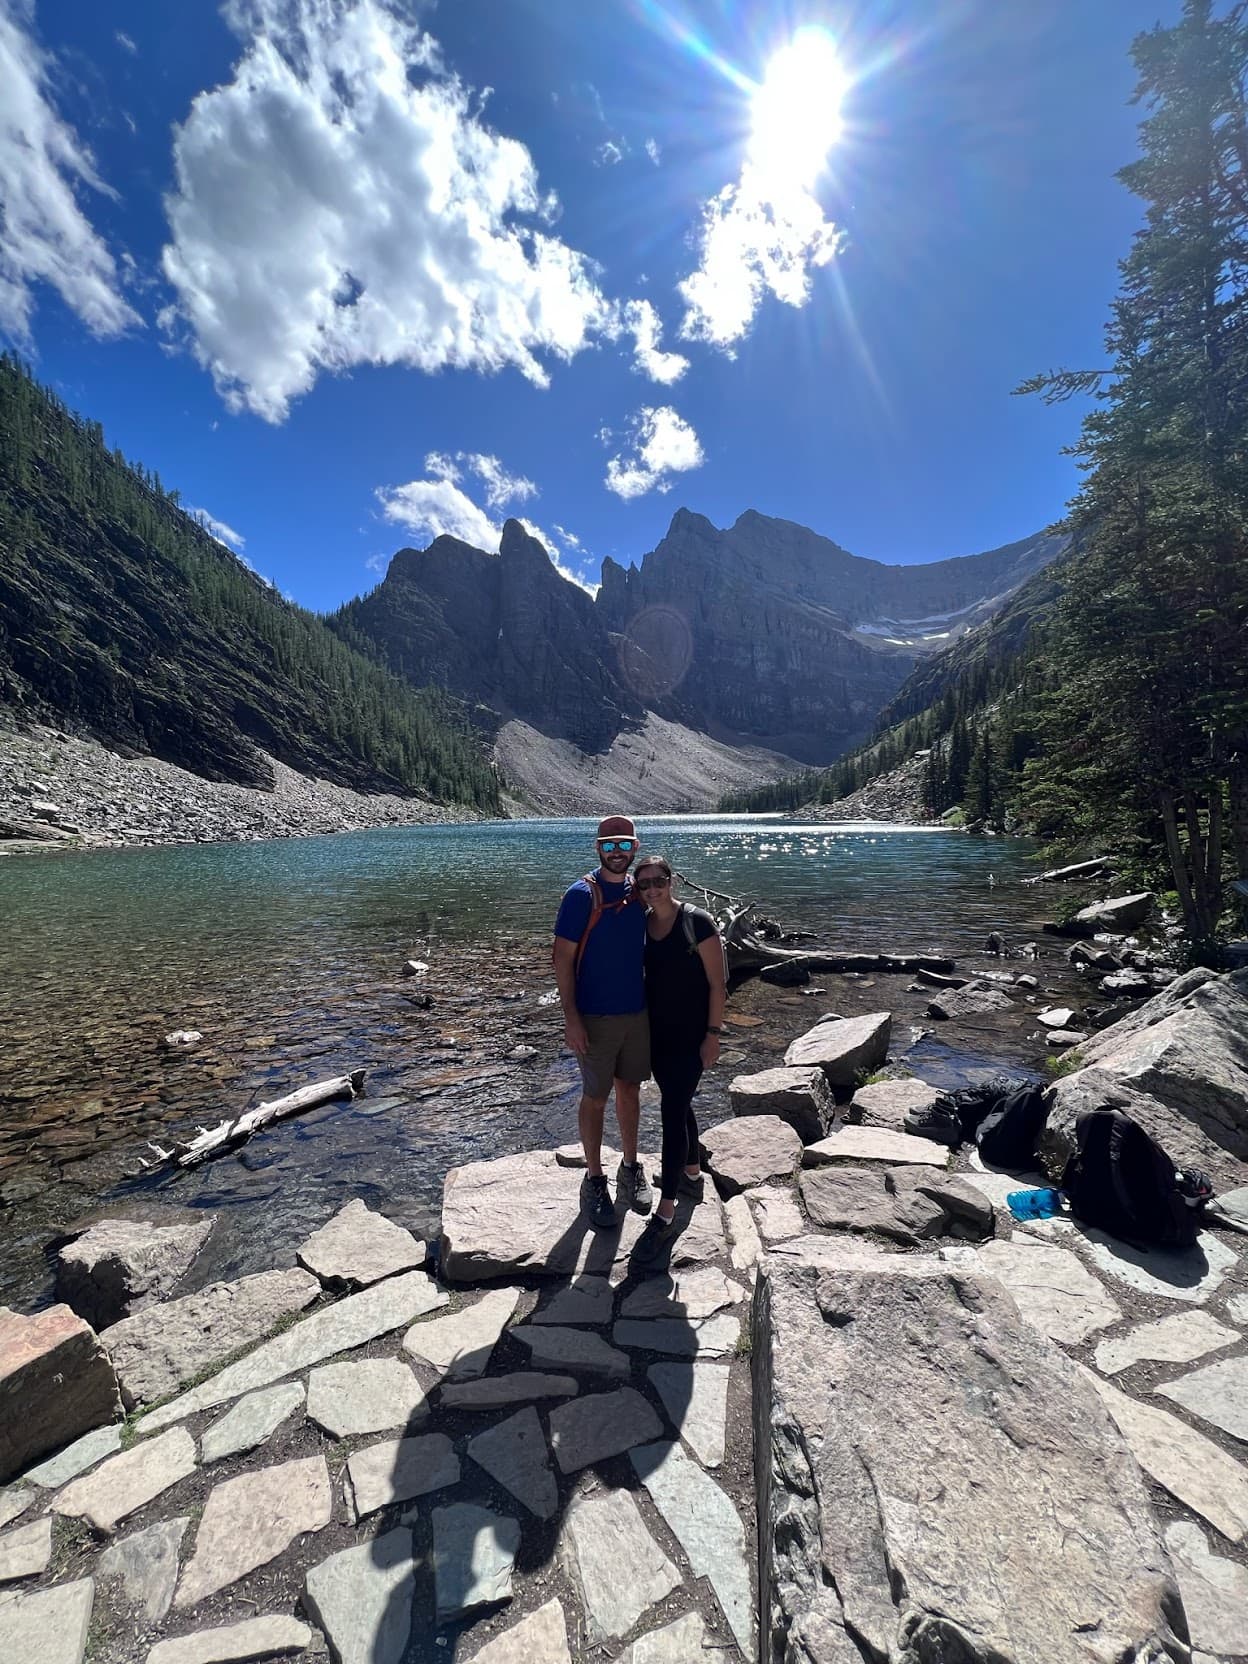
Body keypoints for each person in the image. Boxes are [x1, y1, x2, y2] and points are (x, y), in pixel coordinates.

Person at [553, 815, 654, 1229]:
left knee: (630, 1089)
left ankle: (630, 1166)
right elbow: (561, 958)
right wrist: (571, 1019)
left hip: (638, 1012)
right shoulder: (581, 895)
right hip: (594, 1015)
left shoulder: (640, 891)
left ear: (635, 847)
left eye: (624, 844)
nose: (617, 852)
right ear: (598, 848)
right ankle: (594, 1177)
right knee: (595, 1096)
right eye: (609, 845)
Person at [630, 854, 727, 1266]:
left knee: (671, 1113)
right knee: (678, 1099)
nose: (652, 888)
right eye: (644, 883)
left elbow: (718, 983)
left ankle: (668, 1206)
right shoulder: (644, 925)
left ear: (672, 881)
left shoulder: (697, 921)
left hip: (691, 1038)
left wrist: (713, 1035)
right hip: (657, 1036)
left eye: (658, 880)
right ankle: (690, 1172)